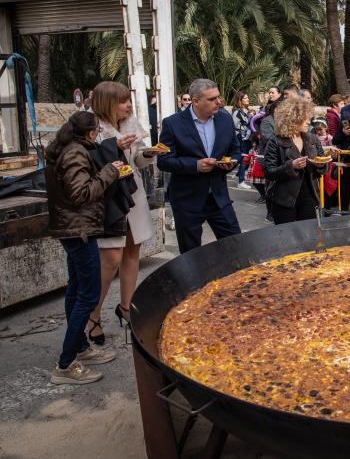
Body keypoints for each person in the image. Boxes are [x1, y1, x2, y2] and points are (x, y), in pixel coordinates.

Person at [45, 111, 122, 385]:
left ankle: (80, 347)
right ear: (90, 133)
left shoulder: (63, 148)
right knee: (88, 295)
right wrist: (109, 172)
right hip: (78, 231)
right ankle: (66, 364)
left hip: (72, 228)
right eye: (97, 131)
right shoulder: (76, 153)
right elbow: (80, 193)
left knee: (76, 288)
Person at [86, 80, 159, 344]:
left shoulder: (130, 124)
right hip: (108, 197)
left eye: (128, 100)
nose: (129, 105)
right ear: (107, 103)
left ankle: (126, 307)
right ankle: (92, 316)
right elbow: (87, 163)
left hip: (133, 192)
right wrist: (115, 147)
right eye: (123, 101)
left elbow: (137, 158)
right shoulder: (90, 126)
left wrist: (148, 153)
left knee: (133, 250)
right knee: (110, 259)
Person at [157, 79, 241, 253]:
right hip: (187, 199)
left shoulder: (225, 120)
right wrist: (195, 165)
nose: (219, 102)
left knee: (236, 245)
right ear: (195, 101)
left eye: (218, 97)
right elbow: (164, 161)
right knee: (191, 255)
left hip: (219, 198)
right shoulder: (172, 124)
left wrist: (230, 163)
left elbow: (235, 151)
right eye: (212, 99)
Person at [263, 97, 326, 224]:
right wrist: (290, 166)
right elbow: (269, 172)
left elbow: (323, 167)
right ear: (293, 118)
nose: (309, 121)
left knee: (308, 238)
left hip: (310, 197)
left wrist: (321, 164)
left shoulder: (313, 139)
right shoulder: (276, 141)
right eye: (305, 118)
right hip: (284, 199)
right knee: (286, 240)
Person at [231, 91, 253, 189]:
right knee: (244, 158)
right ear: (240, 100)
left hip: (248, 138)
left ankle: (237, 176)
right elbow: (234, 127)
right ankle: (241, 181)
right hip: (242, 138)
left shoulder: (246, 111)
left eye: (247, 97)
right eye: (245, 98)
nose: (247, 99)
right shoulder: (237, 112)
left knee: (246, 159)